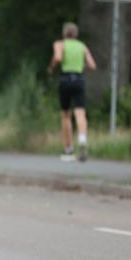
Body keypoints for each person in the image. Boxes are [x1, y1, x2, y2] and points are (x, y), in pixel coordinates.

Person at [48, 22, 97, 162]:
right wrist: (81, 65)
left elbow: (57, 58)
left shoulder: (60, 44)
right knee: (80, 113)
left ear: (64, 33)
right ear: (76, 34)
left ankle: (68, 149)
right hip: (79, 80)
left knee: (66, 115)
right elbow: (93, 65)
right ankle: (82, 141)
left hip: (65, 79)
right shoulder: (82, 46)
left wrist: (51, 67)